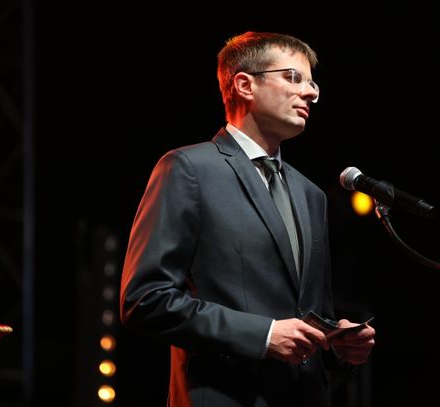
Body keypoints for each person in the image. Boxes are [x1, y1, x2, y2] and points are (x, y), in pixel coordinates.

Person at [120, 31, 375, 407]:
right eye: (293, 77)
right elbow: (145, 300)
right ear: (244, 85)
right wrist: (263, 335)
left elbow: (311, 317)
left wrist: (338, 345)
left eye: (312, 83)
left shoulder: (311, 195)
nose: (310, 93)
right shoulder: (189, 169)